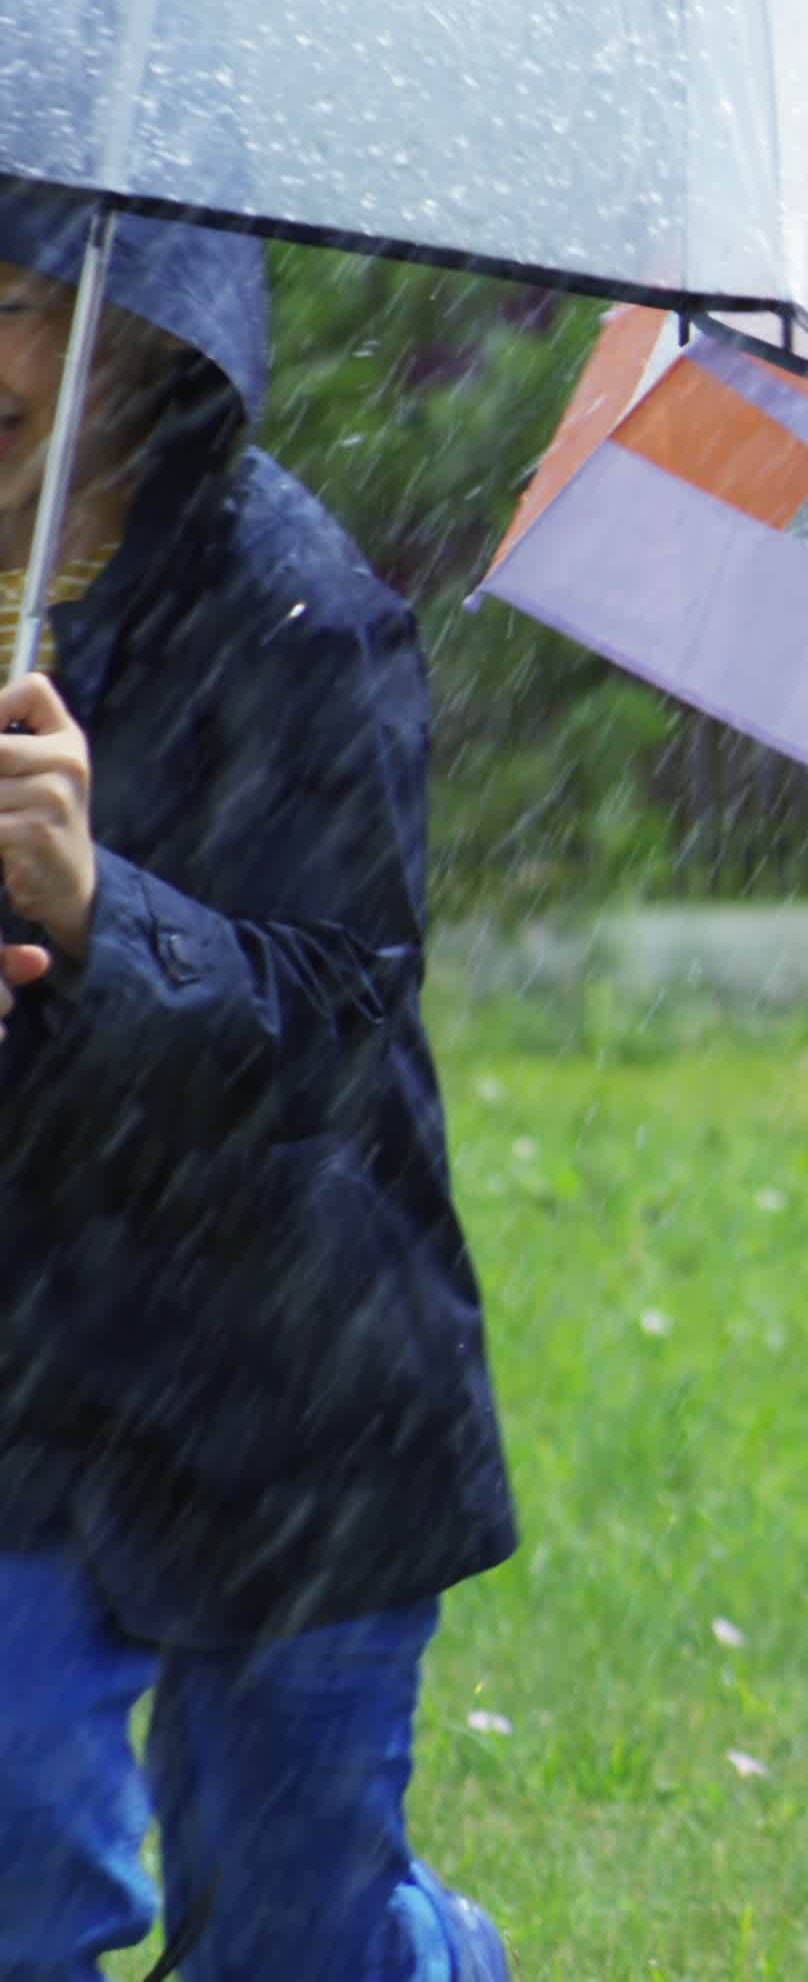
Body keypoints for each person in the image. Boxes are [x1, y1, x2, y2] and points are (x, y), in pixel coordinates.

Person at [0, 193, 514, 1980]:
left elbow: (327, 1015)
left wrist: (91, 903)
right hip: (26, 1370)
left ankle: (429, 1958)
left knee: (290, 1936)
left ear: (144, 330)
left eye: (22, 304)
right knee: (15, 1882)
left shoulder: (297, 608)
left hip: (290, 1382)